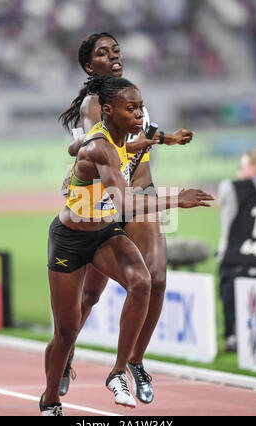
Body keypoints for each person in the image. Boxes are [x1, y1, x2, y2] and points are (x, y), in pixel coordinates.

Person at [40, 74, 213, 415]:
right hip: (70, 240)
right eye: (130, 109)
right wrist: (177, 198)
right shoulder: (101, 147)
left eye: (140, 107)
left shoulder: (118, 140)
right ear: (107, 110)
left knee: (142, 281)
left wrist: (166, 139)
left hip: (104, 234)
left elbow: (129, 147)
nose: (139, 115)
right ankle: (50, 400)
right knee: (66, 331)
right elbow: (127, 204)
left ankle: (119, 371)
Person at [58, 32, 195, 404]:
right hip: (105, 202)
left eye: (116, 49)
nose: (113, 55)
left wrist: (165, 138)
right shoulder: (93, 105)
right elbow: (101, 147)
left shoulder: (129, 95)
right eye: (103, 53)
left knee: (157, 279)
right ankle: (66, 351)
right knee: (90, 293)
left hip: (142, 194)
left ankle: (132, 363)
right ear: (89, 66)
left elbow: (140, 129)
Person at [217, 146, 256, 352]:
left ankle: (233, 335)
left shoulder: (233, 188)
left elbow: (226, 229)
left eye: (243, 167)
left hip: (236, 265)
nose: (238, 172)